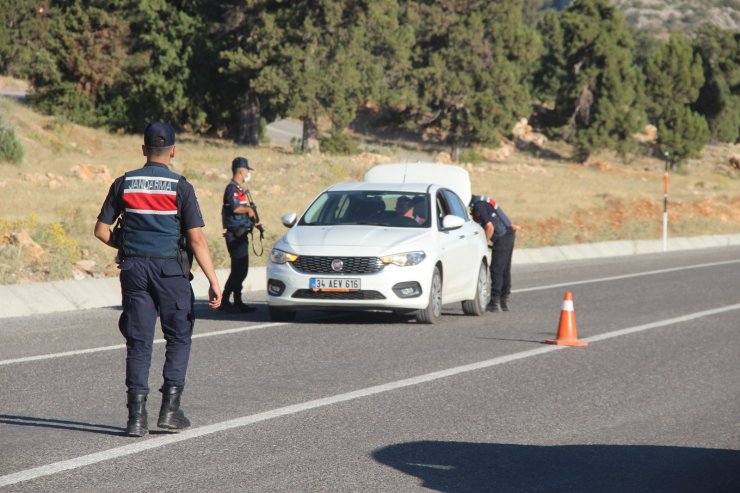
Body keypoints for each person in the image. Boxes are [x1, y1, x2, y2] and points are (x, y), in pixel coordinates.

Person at [94, 122, 222, 437]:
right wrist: (214, 281)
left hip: (134, 270)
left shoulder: (123, 183)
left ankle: (136, 419)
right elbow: (197, 240)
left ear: (143, 149)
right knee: (178, 337)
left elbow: (101, 231)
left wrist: (125, 245)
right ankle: (170, 410)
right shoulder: (181, 187)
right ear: (174, 150)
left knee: (138, 342)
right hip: (171, 272)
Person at [220, 157, 262, 313]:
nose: (248, 174)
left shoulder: (239, 189)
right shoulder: (232, 188)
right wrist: (249, 211)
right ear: (241, 171)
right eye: (247, 171)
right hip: (235, 235)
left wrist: (256, 222)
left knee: (241, 269)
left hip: (242, 233)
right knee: (238, 269)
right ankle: (225, 300)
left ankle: (237, 301)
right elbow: (236, 208)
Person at [470, 195, 516, 312]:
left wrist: (483, 245)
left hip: (502, 237)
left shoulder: (478, 206)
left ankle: (495, 302)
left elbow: (489, 227)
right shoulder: (482, 202)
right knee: (505, 269)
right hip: (509, 234)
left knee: (497, 269)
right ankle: (503, 301)